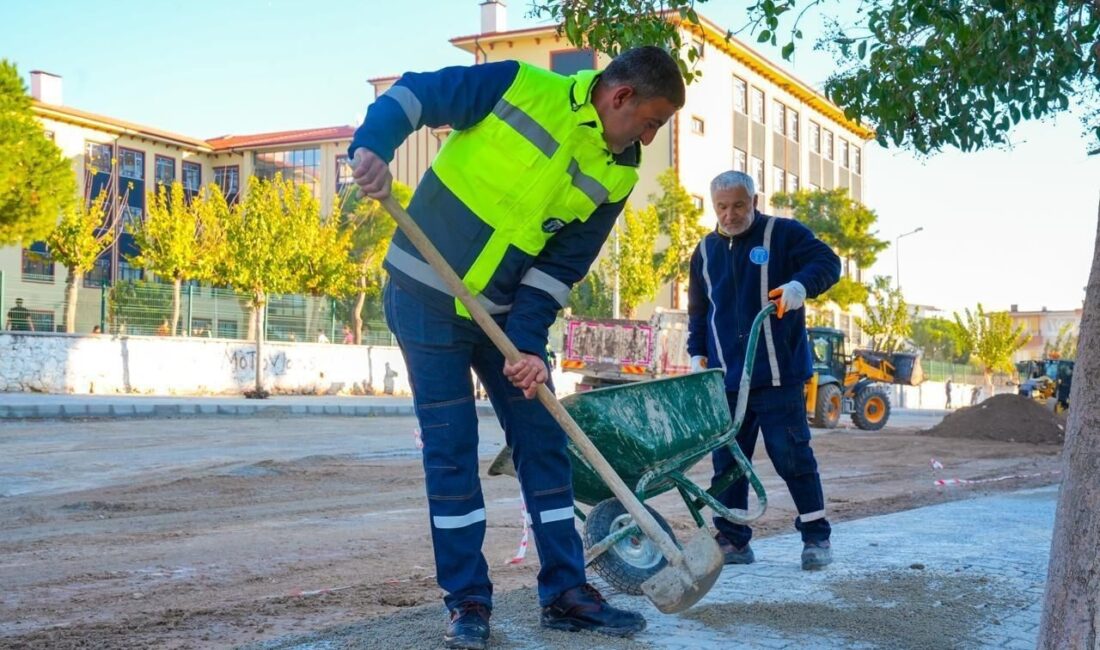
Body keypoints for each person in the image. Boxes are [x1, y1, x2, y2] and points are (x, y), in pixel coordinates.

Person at [348, 46, 683, 648]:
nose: (651, 138)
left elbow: (562, 266)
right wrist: (373, 144)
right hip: (424, 295)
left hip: (504, 320)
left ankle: (565, 592)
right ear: (620, 98)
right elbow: (419, 93)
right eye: (652, 122)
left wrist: (528, 346)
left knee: (544, 441)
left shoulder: (619, 170)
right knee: (452, 452)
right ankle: (469, 602)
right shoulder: (520, 86)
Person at [687, 170, 841, 572]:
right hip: (727, 381)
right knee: (729, 463)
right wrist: (696, 354)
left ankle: (815, 536)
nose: (730, 214)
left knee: (791, 456)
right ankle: (734, 540)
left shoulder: (784, 235)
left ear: (754, 201)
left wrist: (800, 286)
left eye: (739, 205)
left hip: (778, 376)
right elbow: (699, 312)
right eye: (722, 207)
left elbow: (828, 262)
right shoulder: (704, 252)